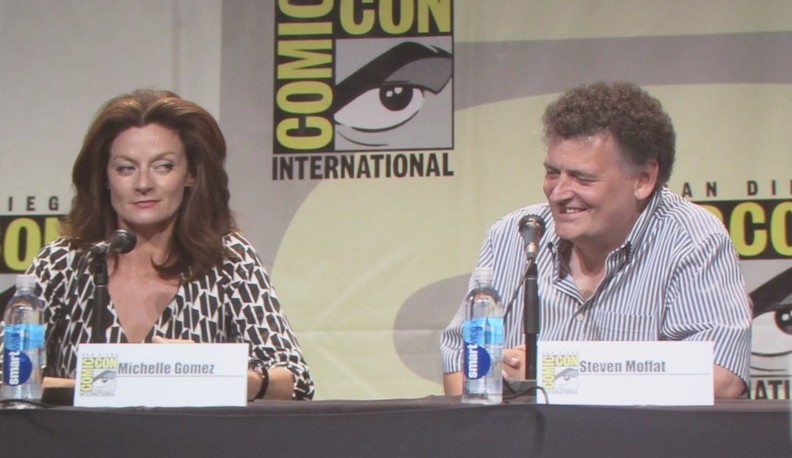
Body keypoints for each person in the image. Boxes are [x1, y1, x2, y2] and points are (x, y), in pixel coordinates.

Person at [441, 81, 752, 399]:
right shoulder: (514, 235)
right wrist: (497, 378)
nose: (558, 193)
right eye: (552, 173)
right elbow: (457, 368)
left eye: (583, 178)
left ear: (643, 180)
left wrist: (548, 374)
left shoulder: (693, 241)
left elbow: (721, 377)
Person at [22, 89, 313, 400]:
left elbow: (296, 381)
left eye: (163, 166)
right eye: (126, 168)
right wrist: (115, 386)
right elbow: (9, 374)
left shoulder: (227, 258)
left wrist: (213, 372)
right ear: (105, 177)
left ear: (190, 174)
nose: (143, 183)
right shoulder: (64, 261)